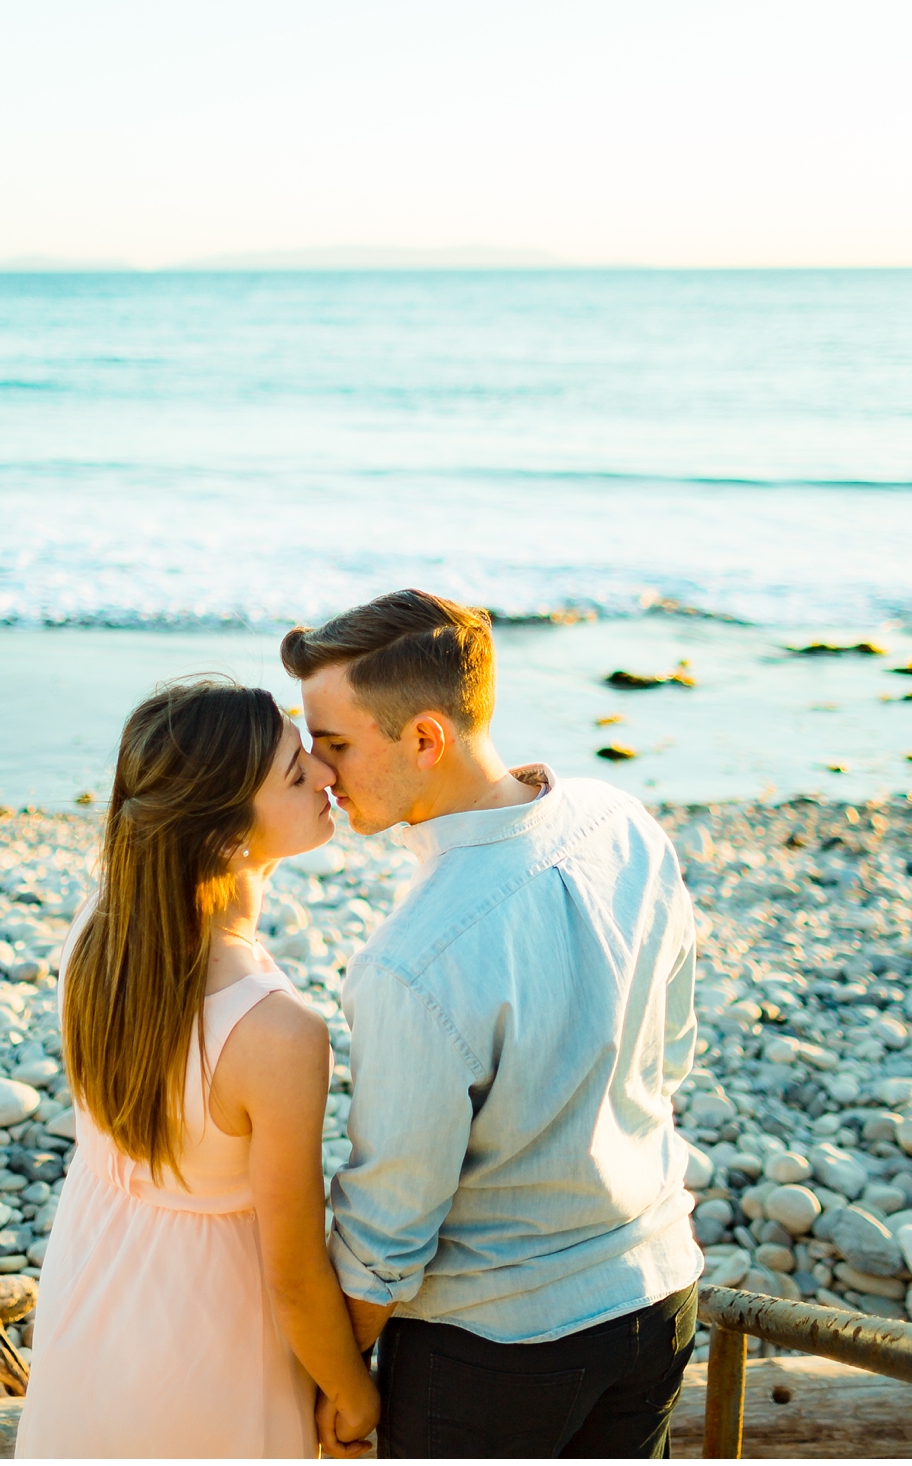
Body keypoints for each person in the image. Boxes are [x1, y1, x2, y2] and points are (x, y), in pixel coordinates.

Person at [283, 591, 703, 1459]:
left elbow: (389, 1230)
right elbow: (674, 1050)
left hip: (497, 1353)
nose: (320, 772)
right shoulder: (623, 822)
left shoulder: (411, 964)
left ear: (425, 739)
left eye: (336, 744)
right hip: (660, 1289)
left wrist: (341, 1377)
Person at [15, 678, 381, 1458]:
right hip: (212, 1342)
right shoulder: (278, 1034)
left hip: (94, 1293)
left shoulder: (101, 934)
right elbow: (294, 1272)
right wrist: (354, 1394)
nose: (325, 773)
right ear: (221, 837)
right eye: (294, 773)